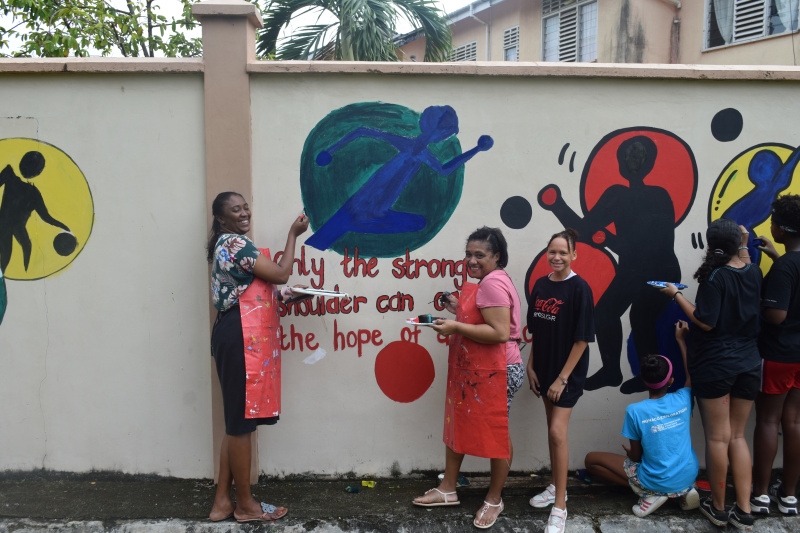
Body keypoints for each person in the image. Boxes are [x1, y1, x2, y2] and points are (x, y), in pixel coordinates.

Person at [206, 191, 308, 523]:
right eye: (235, 210)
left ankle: (222, 501)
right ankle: (246, 505)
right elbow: (280, 273)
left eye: (245, 207)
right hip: (239, 335)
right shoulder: (236, 245)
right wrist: (293, 235)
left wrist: (284, 297)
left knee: (236, 423)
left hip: (235, 330)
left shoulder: (228, 246)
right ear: (221, 219)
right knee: (240, 425)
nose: (244, 213)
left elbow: (256, 289)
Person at [412, 226, 524, 530]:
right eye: (468, 254)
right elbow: (486, 318)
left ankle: (495, 498)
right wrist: (458, 310)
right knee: (459, 421)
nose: (471, 260)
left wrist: (456, 327)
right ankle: (448, 488)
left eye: (480, 255)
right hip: (479, 370)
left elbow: (500, 332)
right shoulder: (491, 280)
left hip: (498, 370)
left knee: (497, 433)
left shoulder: (491, 284)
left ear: (496, 256)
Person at [660, 218, 761, 530]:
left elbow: (705, 322)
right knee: (739, 436)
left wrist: (675, 294)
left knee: (718, 438)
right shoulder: (753, 271)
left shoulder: (715, 278)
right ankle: (744, 511)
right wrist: (743, 241)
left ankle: (718, 508)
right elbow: (742, 257)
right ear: (737, 244)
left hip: (717, 365)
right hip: (749, 364)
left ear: (710, 244)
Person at [584, 321, 699, 518]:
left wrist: (631, 453)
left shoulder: (635, 411)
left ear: (644, 382)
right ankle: (681, 491)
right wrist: (681, 340)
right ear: (671, 381)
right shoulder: (683, 398)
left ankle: (651, 493)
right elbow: (691, 373)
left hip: (655, 479)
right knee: (666, 469)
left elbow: (636, 458)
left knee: (591, 461)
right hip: (689, 474)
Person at [526, 228, 595, 533]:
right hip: (543, 370)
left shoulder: (580, 288)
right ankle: (555, 486)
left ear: (573, 255)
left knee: (557, 433)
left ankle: (561, 506)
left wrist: (562, 379)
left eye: (563, 252)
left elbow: (582, 340)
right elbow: (536, 333)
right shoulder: (540, 286)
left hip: (566, 375)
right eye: (552, 251)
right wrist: (531, 366)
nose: (556, 257)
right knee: (551, 429)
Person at [751, 194, 800, 516]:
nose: (769, 225)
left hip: (779, 353)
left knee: (768, 420)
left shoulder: (784, 268)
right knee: (794, 421)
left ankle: (759, 495)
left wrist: (757, 304)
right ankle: (790, 496)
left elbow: (777, 315)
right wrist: (774, 255)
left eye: (772, 221)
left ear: (781, 228)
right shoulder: (785, 261)